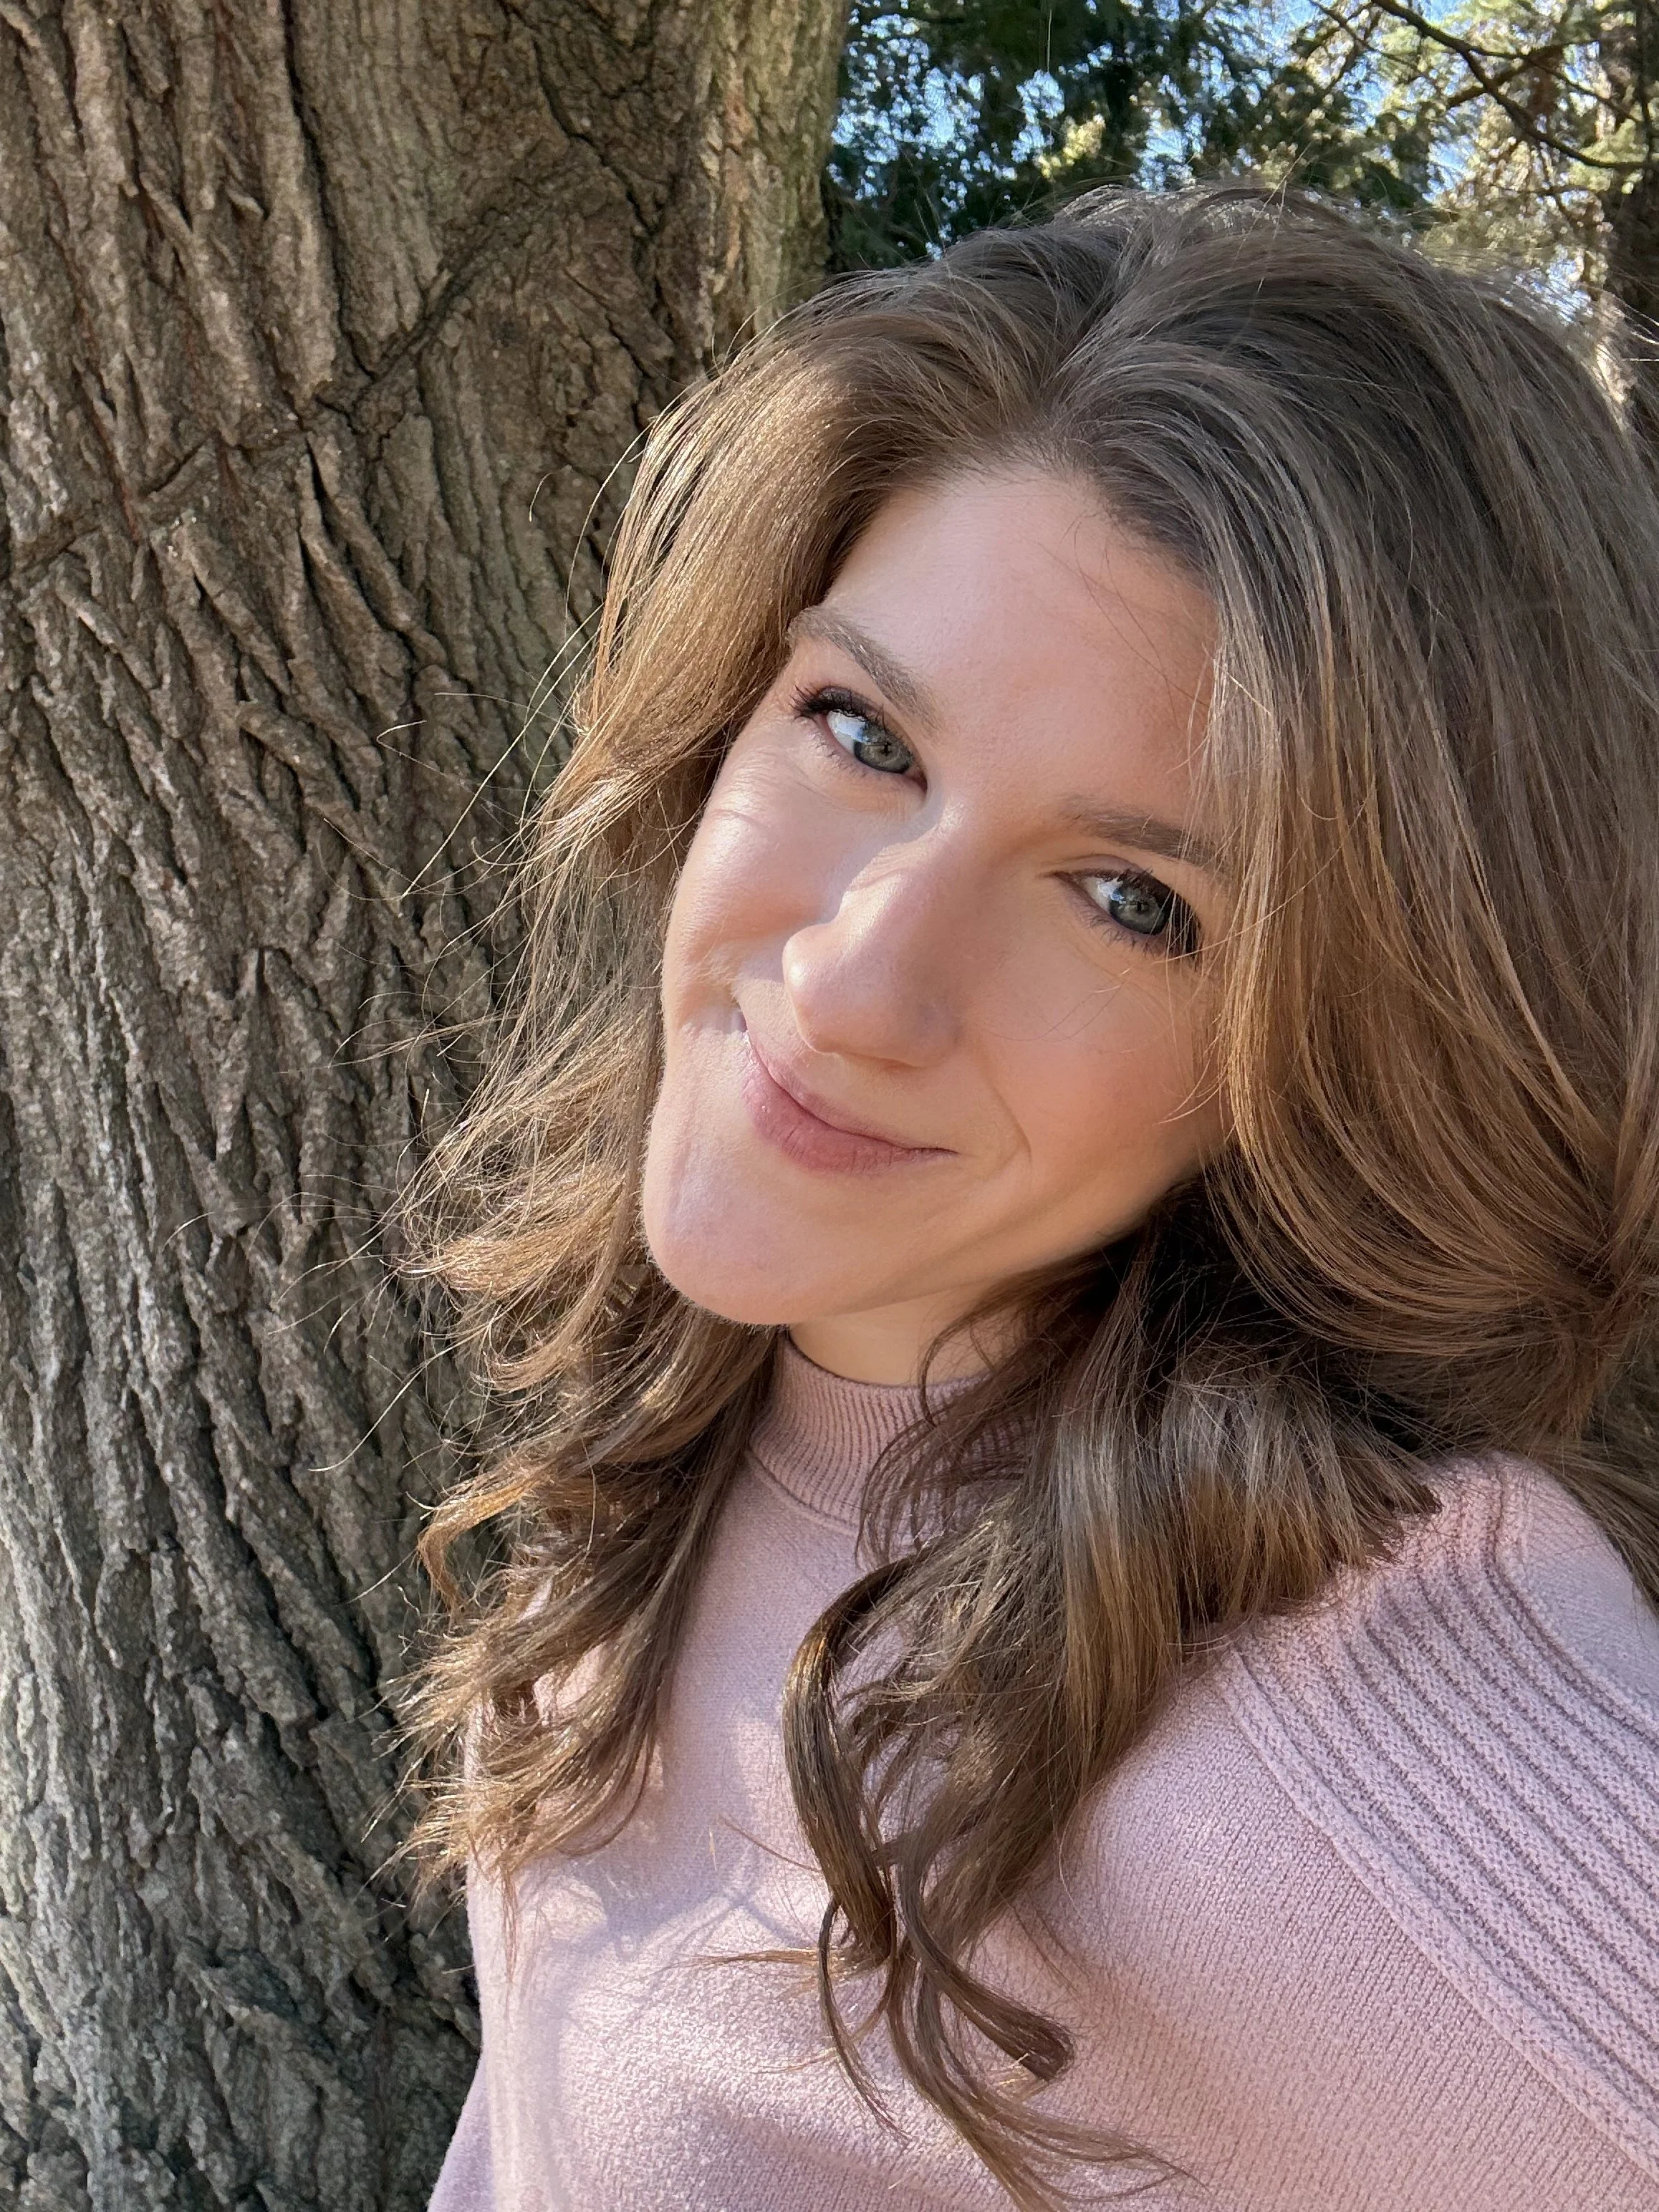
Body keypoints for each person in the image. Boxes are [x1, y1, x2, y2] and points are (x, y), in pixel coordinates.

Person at [410, 184, 1659, 2211]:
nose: (850, 978)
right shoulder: (746, 1393)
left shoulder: (1329, 1741)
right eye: (859, 732)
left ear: (1338, 1041)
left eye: (1127, 902)